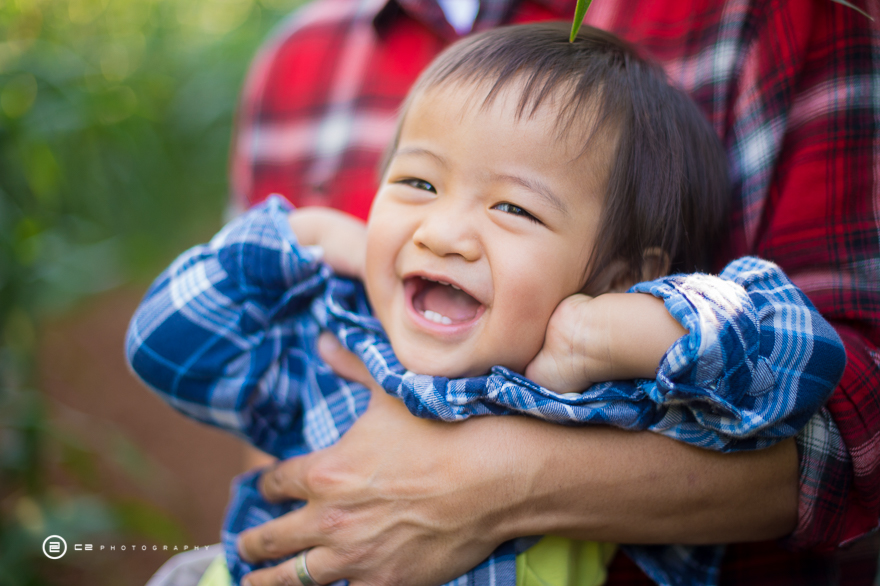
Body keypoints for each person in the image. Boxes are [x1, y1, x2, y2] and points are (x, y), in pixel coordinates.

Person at [127, 23, 847, 586]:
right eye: (417, 185)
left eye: (513, 208)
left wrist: (629, 329)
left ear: (623, 272)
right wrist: (294, 235)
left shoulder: (609, 401)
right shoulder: (338, 340)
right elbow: (165, 348)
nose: (442, 234)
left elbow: (802, 366)